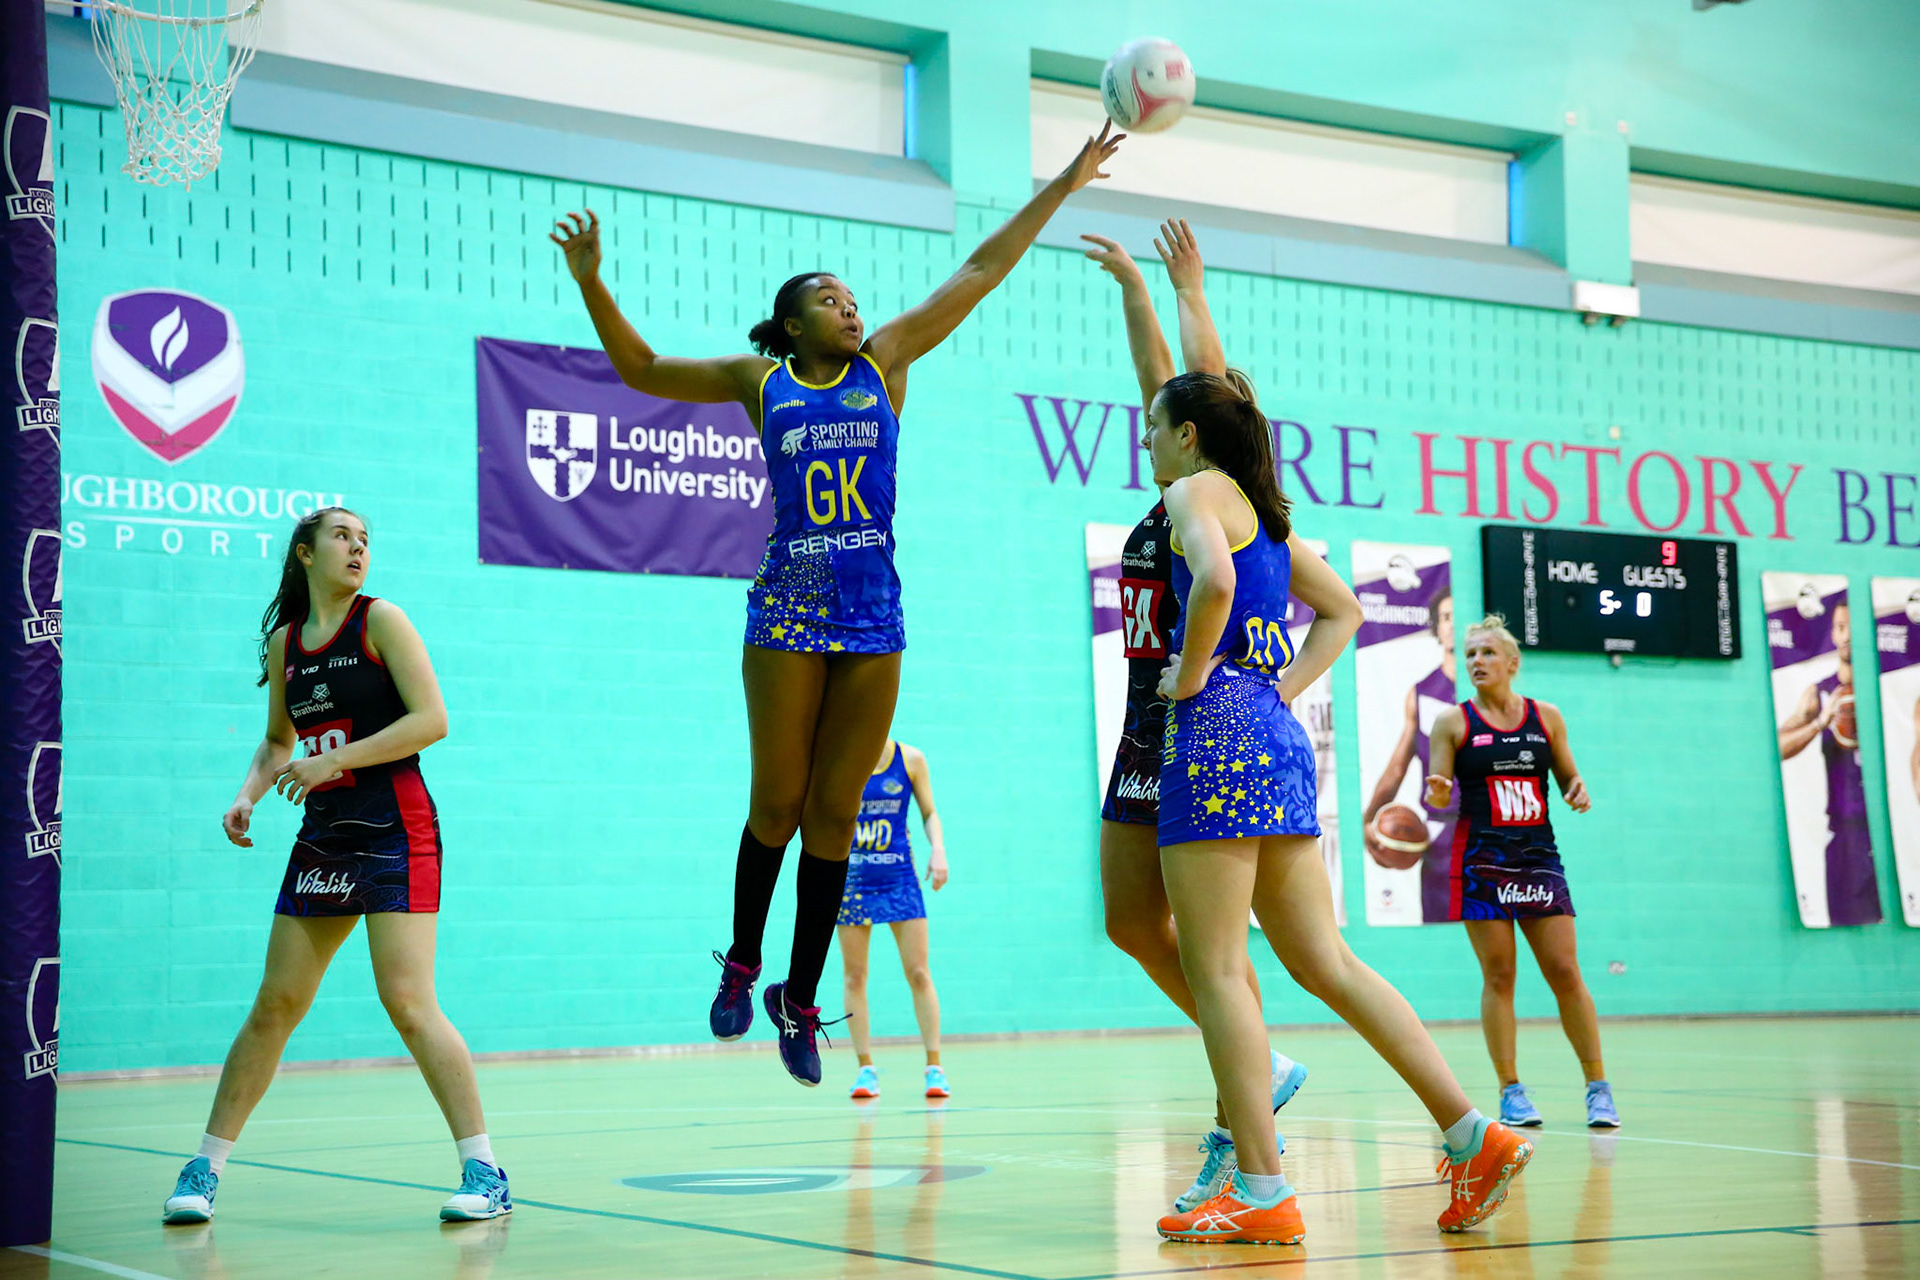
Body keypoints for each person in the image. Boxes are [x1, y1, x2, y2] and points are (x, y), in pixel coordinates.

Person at [549, 124, 1125, 1087]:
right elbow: (642, 372)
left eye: (854, 297)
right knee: (775, 802)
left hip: (873, 614)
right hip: (785, 607)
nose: (850, 306)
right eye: (829, 298)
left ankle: (800, 999)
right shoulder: (759, 381)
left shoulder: (887, 364)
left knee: (832, 813)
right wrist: (592, 280)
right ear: (790, 323)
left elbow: (979, 271)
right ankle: (742, 961)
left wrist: (1064, 182)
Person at [1142, 376, 1530, 1245]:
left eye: (1154, 429)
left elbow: (1209, 583)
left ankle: (1263, 1190)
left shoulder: (1193, 491)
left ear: (1191, 436)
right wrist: (1273, 688)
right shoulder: (1266, 512)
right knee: (1328, 963)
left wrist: (1196, 676)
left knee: (1217, 973)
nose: (1148, 446)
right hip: (1275, 737)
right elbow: (1344, 610)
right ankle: (1473, 1132)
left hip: (1213, 737)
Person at [163, 508, 509, 1226]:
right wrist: (246, 796)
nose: (357, 549)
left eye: (365, 540)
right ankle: (203, 1170)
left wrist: (334, 761)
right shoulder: (285, 642)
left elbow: (432, 720)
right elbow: (275, 741)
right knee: (275, 1006)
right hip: (324, 837)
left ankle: (486, 1171)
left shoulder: (381, 621)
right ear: (304, 554)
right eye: (342, 537)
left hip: (396, 828)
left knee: (408, 1003)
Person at [1082, 220, 1306, 1214]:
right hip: (1143, 715)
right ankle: (1264, 1061)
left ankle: (1243, 1106)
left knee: (1219, 943)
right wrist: (1141, 284)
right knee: (1133, 922)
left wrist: (1193, 289)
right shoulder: (1175, 479)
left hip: (1200, 711)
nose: (1167, 412)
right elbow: (1163, 376)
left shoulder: (1230, 496)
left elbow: (1205, 380)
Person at [1424, 615, 1618, 1130]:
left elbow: (1570, 777)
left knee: (1564, 972)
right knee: (1500, 975)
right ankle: (1511, 1090)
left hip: (1538, 858)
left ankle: (1598, 1088)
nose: (1476, 663)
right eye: (1469, 655)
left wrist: (1578, 790)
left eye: (1487, 653)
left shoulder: (1545, 717)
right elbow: (1436, 786)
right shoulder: (1452, 722)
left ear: (1512, 663)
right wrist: (1436, 793)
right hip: (1481, 861)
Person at [837, 739, 949, 1100]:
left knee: (918, 972)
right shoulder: (840, 754)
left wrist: (939, 849)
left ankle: (935, 1067)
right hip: (852, 879)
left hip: (899, 877)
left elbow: (929, 813)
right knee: (855, 976)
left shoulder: (911, 759)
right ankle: (865, 1069)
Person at [1777, 600, 1882, 926]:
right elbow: (1776, 747)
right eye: (1840, 627)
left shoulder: (1890, 692)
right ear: (1833, 635)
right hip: (1846, 835)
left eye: (1854, 627)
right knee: (1849, 929)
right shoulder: (1819, 693)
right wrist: (1819, 723)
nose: (1848, 635)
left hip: (1893, 833)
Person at [1361, 584, 1459, 921]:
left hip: (1488, 831)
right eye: (1445, 617)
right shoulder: (1421, 693)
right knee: (1443, 928)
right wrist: (1368, 818)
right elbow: (1398, 766)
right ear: (1436, 626)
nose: (1452, 624)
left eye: (1458, 617)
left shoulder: (1489, 698)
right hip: (1440, 834)